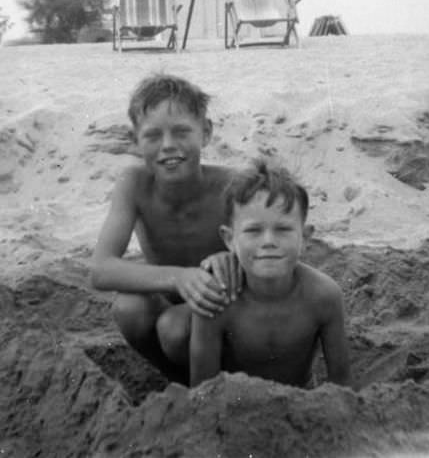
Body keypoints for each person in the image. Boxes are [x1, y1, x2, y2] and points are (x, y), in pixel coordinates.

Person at [90, 73, 241, 384]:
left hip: (225, 305)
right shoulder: (134, 184)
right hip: (174, 296)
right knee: (129, 308)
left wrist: (231, 264)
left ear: (206, 133)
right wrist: (179, 278)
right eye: (153, 136)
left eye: (182, 132)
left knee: (174, 329)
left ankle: (217, 381)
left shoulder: (232, 186)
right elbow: (101, 270)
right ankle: (177, 381)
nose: (168, 146)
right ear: (135, 141)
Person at [190, 158, 351, 388]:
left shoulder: (324, 296)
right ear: (229, 239)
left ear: (305, 237)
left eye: (283, 229)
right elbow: (202, 392)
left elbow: (342, 384)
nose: (268, 242)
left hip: (303, 405)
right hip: (234, 407)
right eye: (254, 230)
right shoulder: (215, 299)